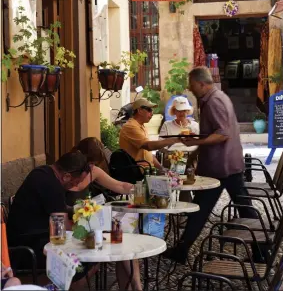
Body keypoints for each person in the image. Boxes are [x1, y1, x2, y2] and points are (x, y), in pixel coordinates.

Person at [164, 66, 258, 264]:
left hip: (220, 167)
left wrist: (196, 143)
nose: (191, 90)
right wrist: (198, 147)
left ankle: (262, 249)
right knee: (211, 208)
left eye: (192, 86)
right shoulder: (217, 97)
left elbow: (222, 134)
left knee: (204, 208)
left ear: (201, 84)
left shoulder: (214, 100)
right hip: (227, 165)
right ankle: (262, 250)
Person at [7, 150, 132, 288]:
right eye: (76, 182)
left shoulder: (43, 172)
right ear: (66, 176)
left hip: (26, 241)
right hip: (27, 250)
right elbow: (63, 228)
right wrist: (90, 233)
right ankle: (60, 286)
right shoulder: (51, 185)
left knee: (90, 254)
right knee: (86, 261)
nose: (75, 186)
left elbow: (57, 212)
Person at [67, 137, 141, 291]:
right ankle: (136, 286)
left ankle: (135, 286)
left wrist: (140, 189)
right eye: (91, 162)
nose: (92, 166)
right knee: (120, 236)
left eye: (94, 163)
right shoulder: (68, 170)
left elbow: (120, 185)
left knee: (121, 235)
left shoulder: (93, 171)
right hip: (73, 223)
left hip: (88, 220)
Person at [119, 98, 181, 170]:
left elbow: (148, 154)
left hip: (146, 170)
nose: (152, 113)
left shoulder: (141, 126)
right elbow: (149, 146)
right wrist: (173, 140)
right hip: (137, 172)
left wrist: (162, 168)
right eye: (149, 110)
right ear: (140, 110)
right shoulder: (131, 127)